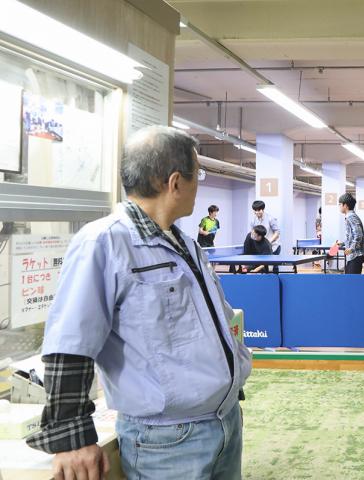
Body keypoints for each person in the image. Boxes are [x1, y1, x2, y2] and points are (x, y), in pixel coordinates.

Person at [26, 126, 252, 478]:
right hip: (170, 442)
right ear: (175, 182)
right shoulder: (105, 242)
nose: (199, 184)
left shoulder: (185, 245)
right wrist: (71, 438)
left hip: (223, 424)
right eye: (199, 174)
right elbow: (70, 344)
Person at [337, 193, 364, 274]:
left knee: (353, 283)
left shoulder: (351, 217)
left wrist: (351, 249)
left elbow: (358, 235)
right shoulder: (350, 216)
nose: (339, 206)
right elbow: (351, 236)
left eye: (340, 204)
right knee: (349, 280)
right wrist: (342, 243)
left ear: (345, 205)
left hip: (356, 255)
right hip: (353, 256)